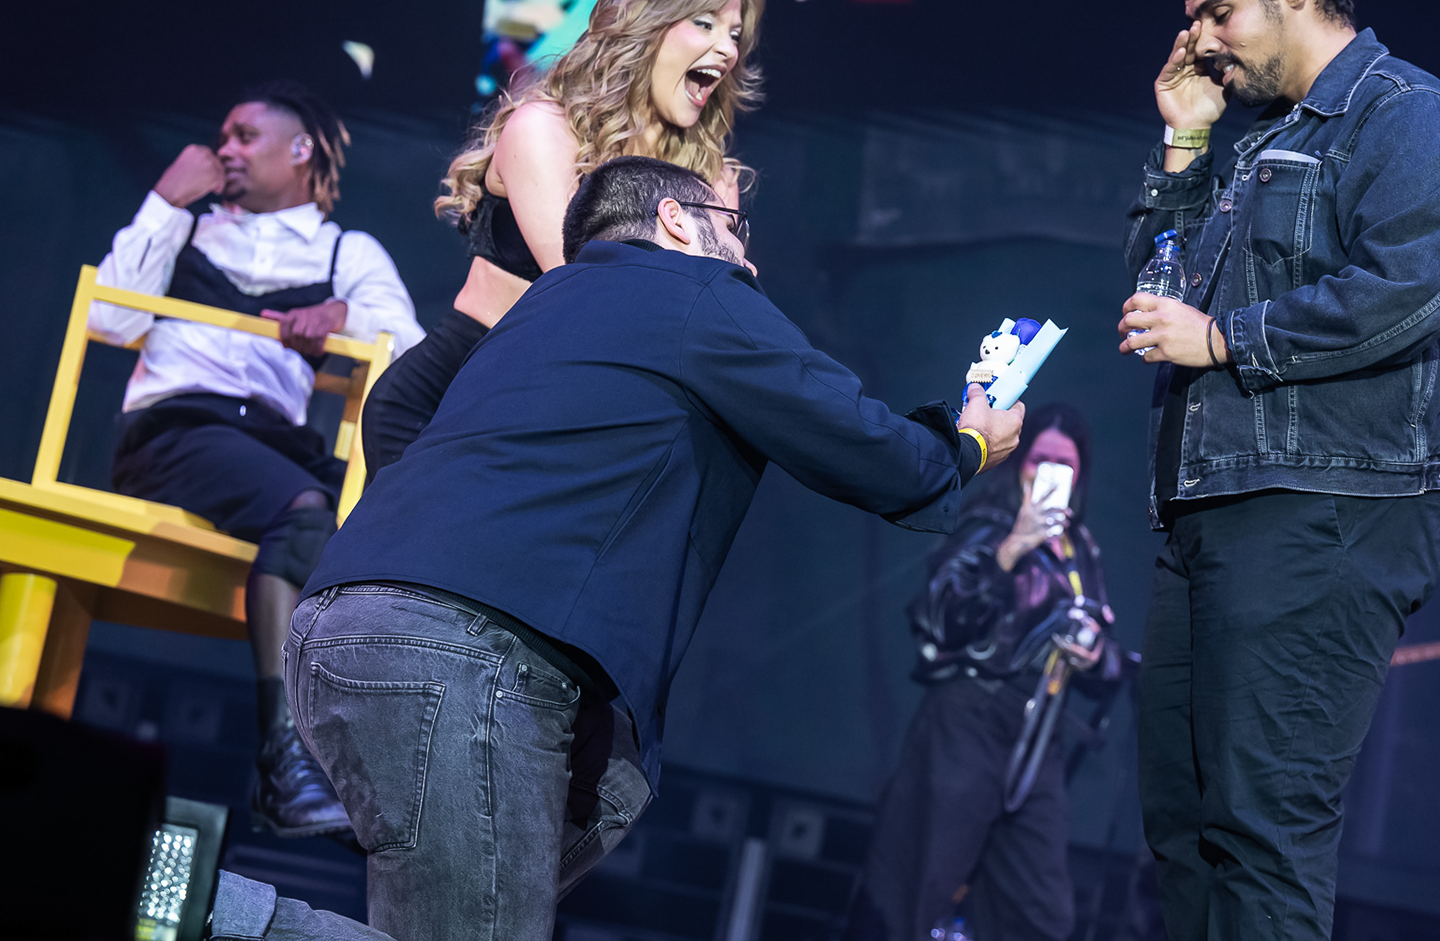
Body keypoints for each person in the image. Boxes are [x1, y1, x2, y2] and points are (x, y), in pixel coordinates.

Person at [202, 155, 1026, 941]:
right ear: (676, 220)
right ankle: (199, 908)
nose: (748, 257)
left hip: (340, 630)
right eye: (735, 227)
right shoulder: (697, 290)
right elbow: (866, 447)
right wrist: (968, 444)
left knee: (584, 806)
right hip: (466, 650)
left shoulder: (545, 305)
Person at [1115, 0, 1440, 939]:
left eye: (1218, 12)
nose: (1200, 42)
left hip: (1326, 513)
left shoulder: (1409, 115)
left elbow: (1414, 289)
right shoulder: (1254, 145)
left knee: (1264, 831)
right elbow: (1155, 303)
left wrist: (1229, 339)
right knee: (1184, 829)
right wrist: (1184, 147)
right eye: (1193, 18)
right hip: (1212, 512)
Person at [92, 82, 425, 839]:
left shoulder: (344, 252)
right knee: (306, 511)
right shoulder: (190, 226)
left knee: (391, 532)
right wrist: (165, 201)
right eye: (224, 138)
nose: (226, 150)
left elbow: (407, 348)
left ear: (300, 150)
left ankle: (362, 766)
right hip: (176, 430)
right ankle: (285, 764)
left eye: (244, 136)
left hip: (271, 446)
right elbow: (110, 318)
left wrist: (346, 315)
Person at [358, 0, 763, 478]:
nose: (728, 49)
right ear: (642, 22)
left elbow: (716, 315)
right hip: (451, 403)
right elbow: (582, 293)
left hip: (575, 417)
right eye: (705, 24)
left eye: (735, 34)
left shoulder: (712, 178)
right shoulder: (544, 130)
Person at [849, 403, 1123, 941]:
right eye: (1040, 461)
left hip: (1037, 738)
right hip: (968, 723)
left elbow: (1108, 658)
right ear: (1020, 465)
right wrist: (1013, 547)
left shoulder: (1080, 551)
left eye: (1065, 465)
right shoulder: (988, 525)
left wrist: (1094, 656)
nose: (1051, 474)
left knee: (1040, 913)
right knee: (910, 887)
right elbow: (939, 616)